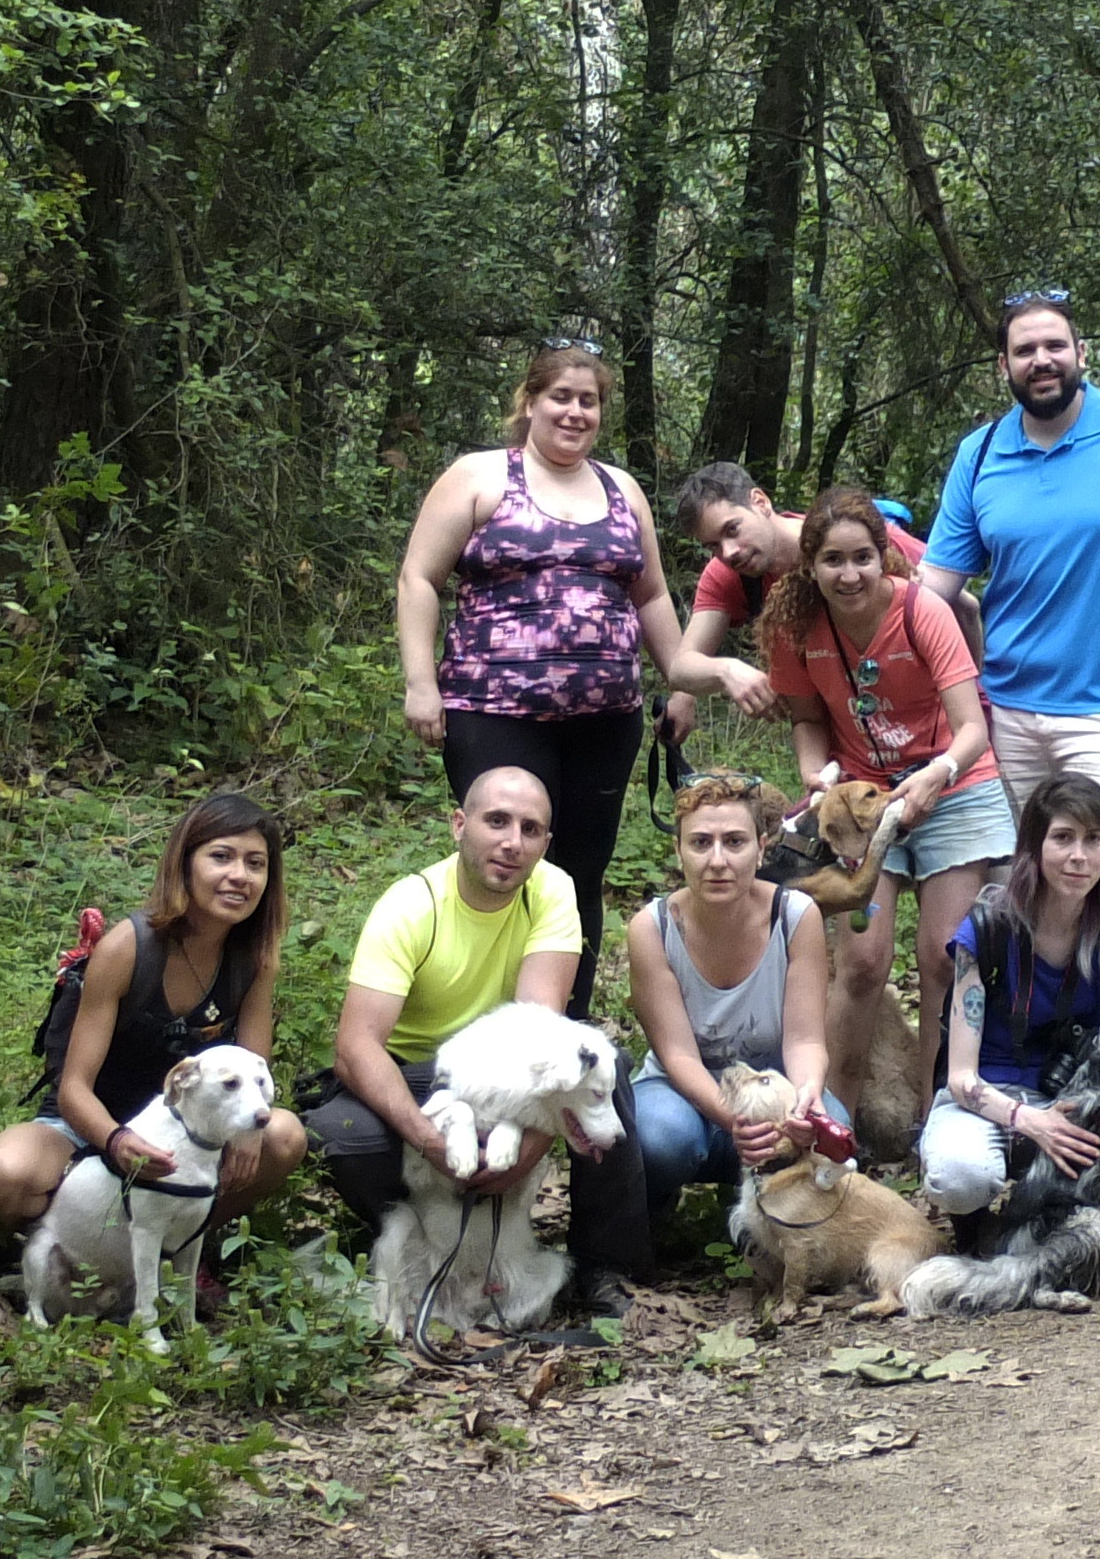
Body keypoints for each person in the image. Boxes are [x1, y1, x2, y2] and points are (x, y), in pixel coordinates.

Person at [395, 337, 772, 961]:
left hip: (606, 722)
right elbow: (418, 579)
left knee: (579, 875)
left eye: (589, 402)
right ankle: (483, 1012)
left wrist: (679, 687)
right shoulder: (479, 476)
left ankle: (566, 1027)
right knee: (504, 863)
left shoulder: (623, 490)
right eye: (560, 398)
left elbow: (650, 595)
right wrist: (420, 683)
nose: (575, 412)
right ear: (531, 402)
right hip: (492, 714)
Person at [314, 767, 649, 1313]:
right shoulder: (410, 905)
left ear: (545, 842)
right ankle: (410, 1239)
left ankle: (601, 1266)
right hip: (420, 1072)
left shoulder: (553, 892)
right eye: (496, 821)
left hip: (501, 1068)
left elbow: (540, 1049)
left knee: (608, 1074)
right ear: (459, 825)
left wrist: (525, 1152)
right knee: (340, 1131)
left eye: (531, 829)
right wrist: (430, 1141)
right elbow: (356, 1048)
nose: (512, 843)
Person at [920, 291, 1100, 816]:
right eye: (1024, 350)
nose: (1041, 360)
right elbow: (934, 590)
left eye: (1054, 345)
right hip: (1006, 713)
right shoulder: (980, 452)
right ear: (1003, 367)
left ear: (1082, 353)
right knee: (1018, 880)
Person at [0, 791, 309, 1240]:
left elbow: (255, 1070)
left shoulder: (255, 959)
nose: (239, 876)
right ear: (185, 863)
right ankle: (65, 1246)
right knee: (4, 1175)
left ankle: (183, 1248)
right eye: (221, 857)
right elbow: (74, 1088)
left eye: (255, 863)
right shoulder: (128, 947)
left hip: (189, 1130)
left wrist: (247, 1133)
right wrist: (115, 1141)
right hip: (89, 1124)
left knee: (283, 1135)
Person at [762, 484, 1009, 1048]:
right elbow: (807, 720)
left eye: (861, 558)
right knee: (862, 963)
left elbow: (972, 728)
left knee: (943, 957)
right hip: (861, 800)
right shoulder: (797, 628)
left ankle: (935, 1117)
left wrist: (937, 773)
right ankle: (832, 1116)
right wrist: (814, 772)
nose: (849, 575)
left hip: (953, 785)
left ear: (883, 556)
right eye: (832, 560)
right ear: (810, 565)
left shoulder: (922, 610)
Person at [919, 775, 1100, 1223]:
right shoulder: (987, 928)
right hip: (986, 1093)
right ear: (1034, 846)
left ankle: (1046, 1216)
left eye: (1094, 840)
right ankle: (976, 1222)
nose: (1078, 857)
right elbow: (960, 1078)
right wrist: (1030, 1121)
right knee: (960, 1177)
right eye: (1062, 838)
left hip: (1077, 1093)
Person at [625, 774, 838, 1211]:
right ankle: (656, 1206)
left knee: (833, 1123)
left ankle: (776, 1218)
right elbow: (678, 1054)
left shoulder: (796, 916)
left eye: (735, 842)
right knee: (661, 1139)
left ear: (762, 849)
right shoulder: (652, 927)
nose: (717, 860)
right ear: (678, 851)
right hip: (682, 1092)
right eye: (701, 843)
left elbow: (804, 1039)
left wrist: (805, 1100)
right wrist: (735, 1121)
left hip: (772, 1084)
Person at [671, 461, 925, 723]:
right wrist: (724, 671)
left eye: (732, 530)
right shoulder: (726, 574)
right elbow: (681, 667)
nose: (728, 552)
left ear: (761, 502)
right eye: (713, 545)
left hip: (918, 712)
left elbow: (950, 596)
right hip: (830, 727)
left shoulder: (852, 539)